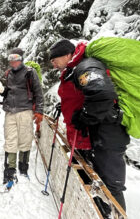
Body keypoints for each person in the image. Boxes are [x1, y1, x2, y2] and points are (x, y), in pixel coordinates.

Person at [49, 39, 130, 212]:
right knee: (95, 183)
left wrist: (84, 117)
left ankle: (113, 215)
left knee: (109, 189)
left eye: (54, 59)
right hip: (91, 137)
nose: (53, 64)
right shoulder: (75, 69)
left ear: (67, 54)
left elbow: (101, 94)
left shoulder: (87, 66)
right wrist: (65, 107)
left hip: (105, 137)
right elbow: (82, 96)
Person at [0, 48, 44, 184]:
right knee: (10, 140)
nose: (13, 61)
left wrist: (39, 111)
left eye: (16, 58)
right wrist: (2, 91)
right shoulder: (8, 73)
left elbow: (38, 93)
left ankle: (23, 168)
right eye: (11, 58)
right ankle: (10, 169)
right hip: (10, 111)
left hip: (25, 111)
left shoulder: (29, 72)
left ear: (21, 58)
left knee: (25, 139)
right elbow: (8, 92)